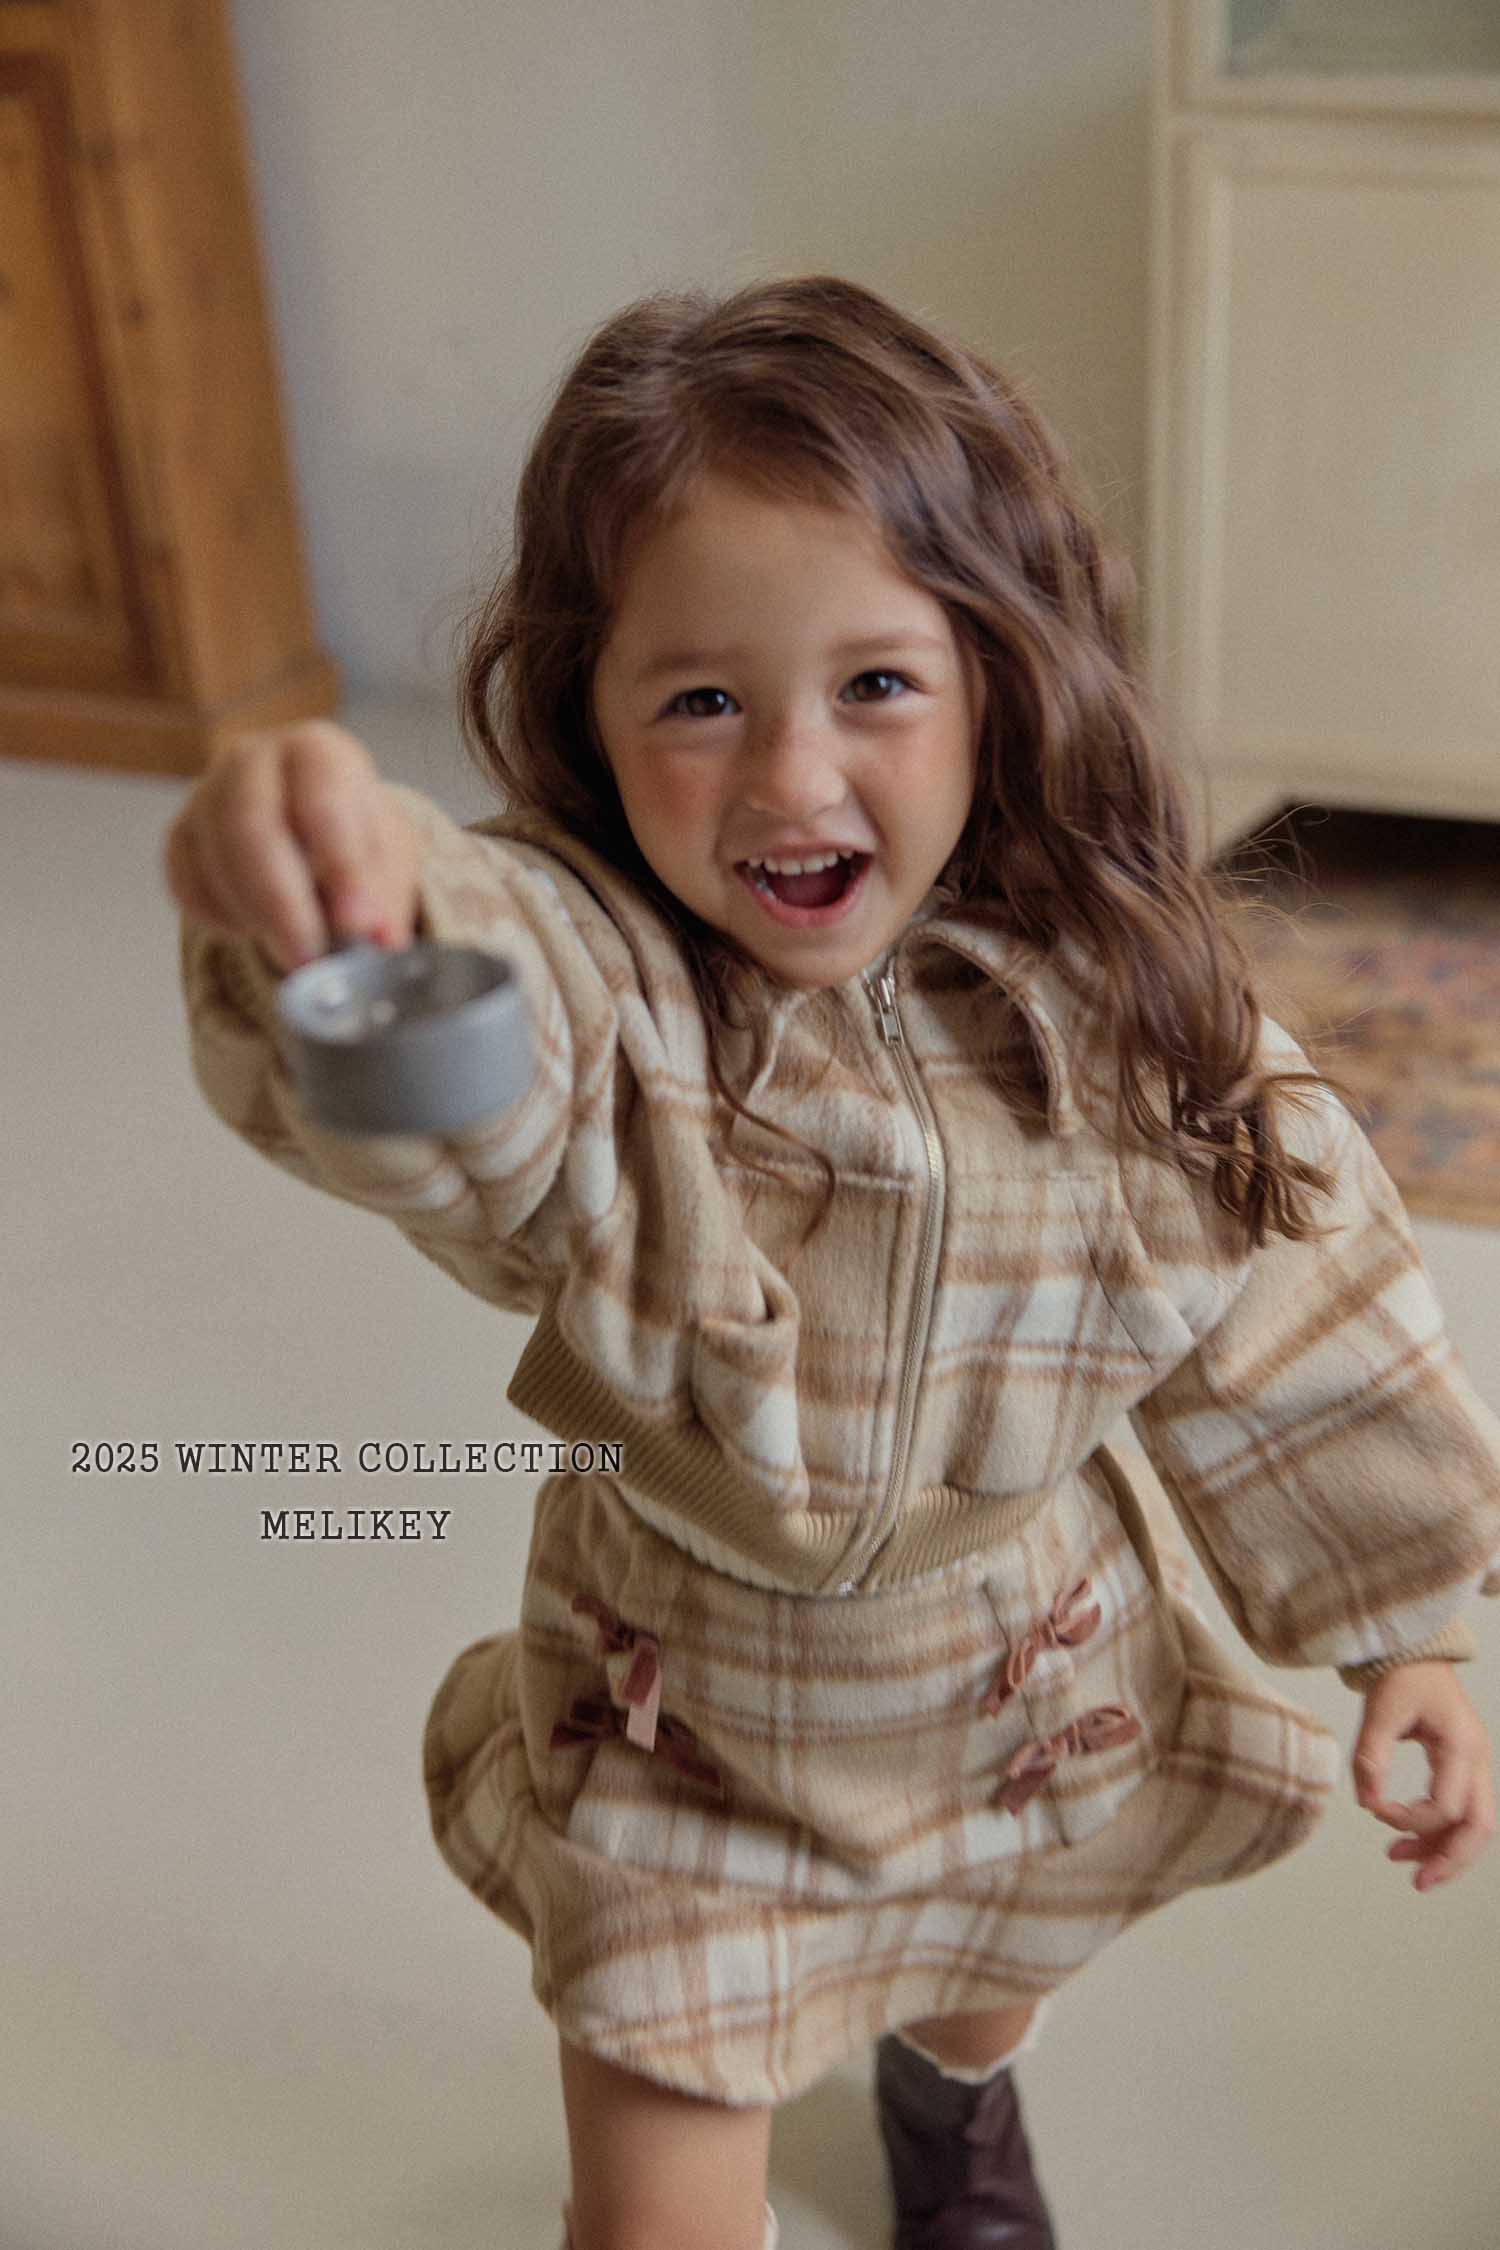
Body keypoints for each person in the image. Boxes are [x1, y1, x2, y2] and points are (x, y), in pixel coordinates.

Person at [163, 274, 1500, 2250]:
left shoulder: (1130, 1016)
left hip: (1019, 1687)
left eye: (876, 684)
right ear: (593, 713)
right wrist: (359, 918)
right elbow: (492, 1053)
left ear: (1002, 678)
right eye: (702, 701)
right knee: (655, 2208)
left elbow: (1301, 1321)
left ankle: (951, 2109)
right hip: (686, 1727)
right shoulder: (620, 995)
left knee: (977, 1982)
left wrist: (1412, 1633)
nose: (792, 779)